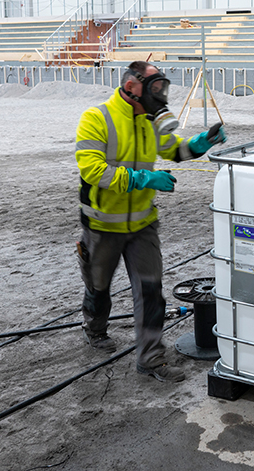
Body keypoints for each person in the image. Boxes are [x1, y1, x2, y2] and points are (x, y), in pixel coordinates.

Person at [74, 61, 227, 382]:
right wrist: (143, 178)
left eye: (162, 88)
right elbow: (94, 171)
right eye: (154, 87)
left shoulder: (149, 123)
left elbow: (174, 149)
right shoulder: (96, 118)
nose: (159, 94)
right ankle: (95, 327)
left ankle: (151, 359)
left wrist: (201, 143)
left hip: (142, 225)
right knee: (98, 288)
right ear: (132, 86)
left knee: (150, 292)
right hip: (102, 226)